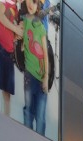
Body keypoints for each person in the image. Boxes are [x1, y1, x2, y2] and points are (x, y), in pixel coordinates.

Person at [21, 0, 50, 134]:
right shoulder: (23, 21)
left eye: (34, 1)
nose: (31, 4)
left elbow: (45, 54)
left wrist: (46, 77)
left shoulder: (41, 27)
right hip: (29, 75)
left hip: (41, 79)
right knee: (28, 112)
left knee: (40, 117)